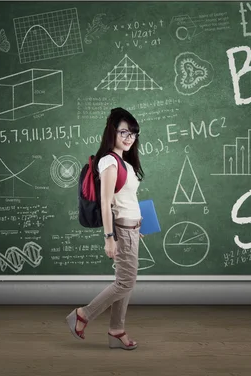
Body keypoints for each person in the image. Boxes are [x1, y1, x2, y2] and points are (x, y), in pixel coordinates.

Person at [66, 107, 145, 350]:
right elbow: (105, 200)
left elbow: (126, 199)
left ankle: (116, 330)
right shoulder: (110, 161)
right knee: (125, 282)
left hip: (133, 229)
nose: (129, 138)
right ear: (112, 132)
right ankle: (83, 315)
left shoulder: (125, 163)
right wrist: (109, 237)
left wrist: (138, 226)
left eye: (133, 133)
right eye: (124, 132)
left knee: (126, 281)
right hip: (121, 230)